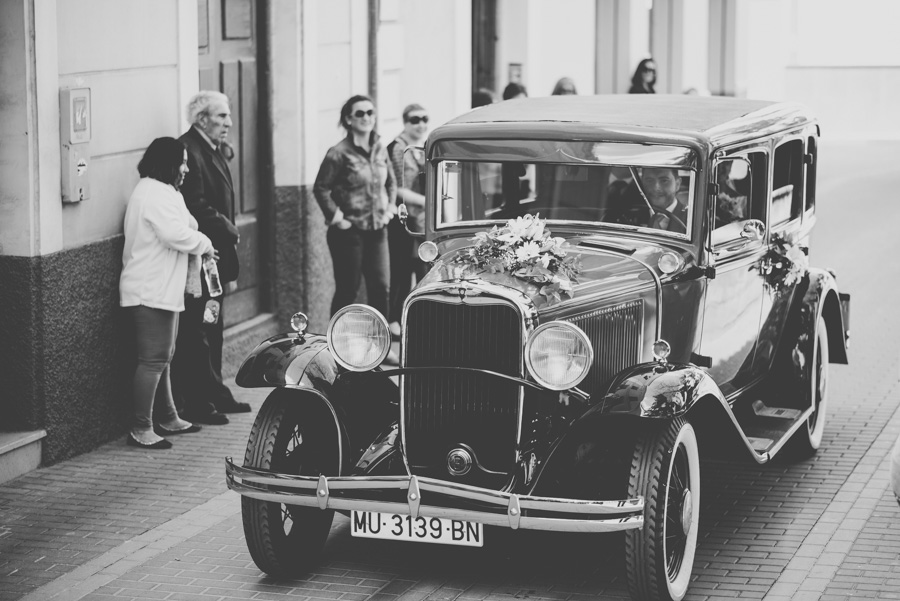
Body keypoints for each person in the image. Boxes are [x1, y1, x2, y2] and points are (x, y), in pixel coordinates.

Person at [120, 137, 216, 449]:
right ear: (167, 163)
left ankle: (169, 417)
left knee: (164, 356)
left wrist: (198, 237)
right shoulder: (152, 194)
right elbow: (176, 234)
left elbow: (184, 223)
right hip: (149, 290)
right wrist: (205, 243)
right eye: (182, 162)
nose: (186, 169)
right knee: (153, 359)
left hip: (162, 289)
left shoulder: (164, 191)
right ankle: (141, 427)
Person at [170, 91, 250, 425]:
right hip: (202, 258)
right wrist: (230, 229)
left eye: (228, 116)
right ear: (202, 119)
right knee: (199, 331)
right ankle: (199, 400)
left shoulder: (211, 148)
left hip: (215, 261)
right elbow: (197, 205)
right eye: (221, 117)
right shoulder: (189, 148)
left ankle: (215, 391)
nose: (229, 123)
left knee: (212, 326)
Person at [313, 94, 397, 348]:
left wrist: (390, 208)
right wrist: (338, 218)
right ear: (349, 119)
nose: (367, 118)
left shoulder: (380, 147)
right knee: (348, 290)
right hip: (348, 233)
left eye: (370, 112)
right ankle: (339, 346)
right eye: (360, 113)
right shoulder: (338, 153)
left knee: (380, 288)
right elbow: (321, 189)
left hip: (377, 230)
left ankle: (380, 347)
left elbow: (391, 182)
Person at [387, 104, 429, 339]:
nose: (421, 124)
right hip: (403, 218)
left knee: (420, 269)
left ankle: (410, 319)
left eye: (424, 119)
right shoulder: (398, 149)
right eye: (415, 120)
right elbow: (398, 189)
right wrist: (428, 201)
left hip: (421, 219)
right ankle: (393, 320)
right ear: (405, 122)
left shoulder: (420, 148)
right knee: (401, 272)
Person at [639, 167, 688, 233]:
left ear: (677, 184)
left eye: (664, 180)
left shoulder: (691, 219)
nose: (656, 188)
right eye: (649, 180)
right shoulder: (632, 215)